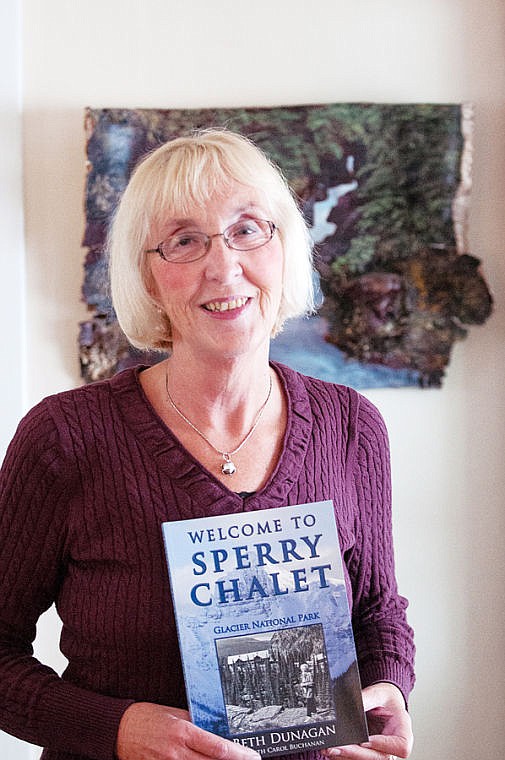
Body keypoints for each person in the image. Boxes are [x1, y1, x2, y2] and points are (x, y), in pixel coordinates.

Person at [0, 129, 415, 760]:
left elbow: (379, 609)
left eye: (249, 229)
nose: (224, 267)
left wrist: (389, 691)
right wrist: (116, 729)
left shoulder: (352, 426)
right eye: (184, 241)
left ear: (286, 249)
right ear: (148, 275)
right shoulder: (65, 438)